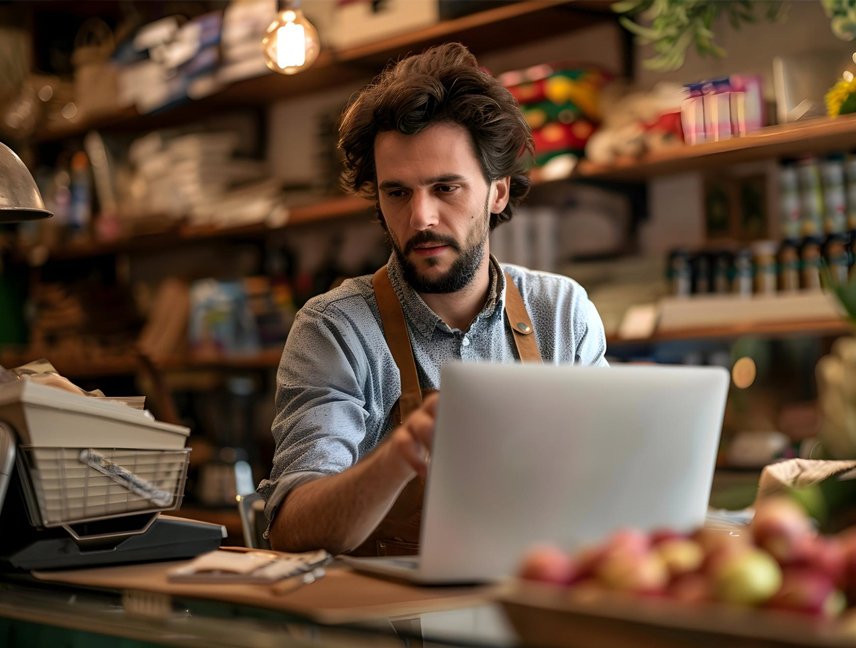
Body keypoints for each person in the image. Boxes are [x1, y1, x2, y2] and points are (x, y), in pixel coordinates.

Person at [257, 42, 608, 556]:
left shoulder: (562, 313)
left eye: (446, 188)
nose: (421, 217)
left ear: (498, 192)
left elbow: (606, 483)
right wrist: (402, 454)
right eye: (397, 192)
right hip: (389, 628)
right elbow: (293, 527)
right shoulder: (335, 328)